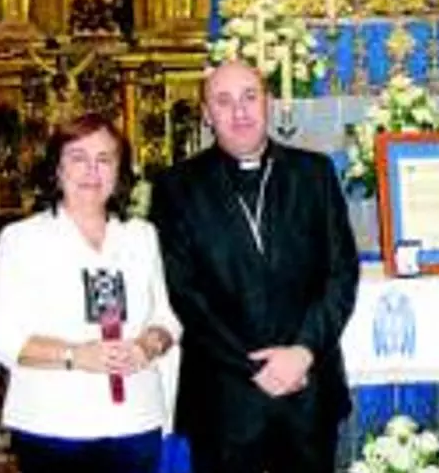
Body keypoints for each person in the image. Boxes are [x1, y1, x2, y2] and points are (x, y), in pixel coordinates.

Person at [148, 60, 359, 473]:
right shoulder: (177, 187)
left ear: (268, 102)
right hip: (223, 398)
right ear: (207, 115)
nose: (239, 112)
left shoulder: (314, 174)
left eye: (249, 97)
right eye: (223, 101)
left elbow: (341, 273)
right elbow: (183, 293)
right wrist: (253, 367)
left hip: (307, 389)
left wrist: (303, 351)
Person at [0, 113, 181, 473]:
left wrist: (147, 346)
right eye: (78, 158)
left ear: (119, 171)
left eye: (104, 159)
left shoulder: (141, 235)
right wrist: (76, 355)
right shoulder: (22, 239)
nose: (92, 171)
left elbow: (167, 319)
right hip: (54, 425)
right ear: (57, 169)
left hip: (135, 420)